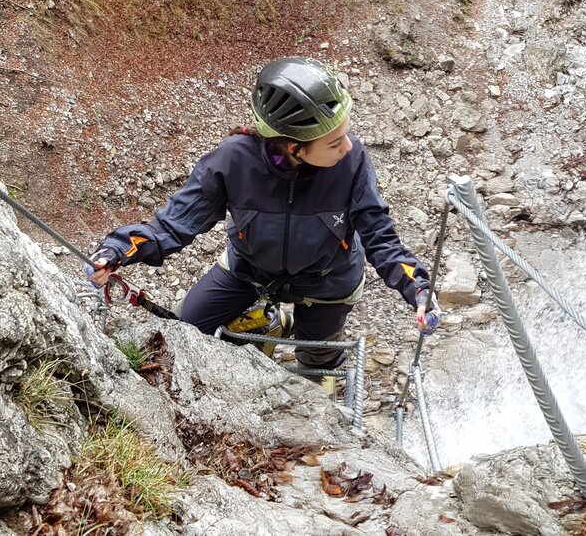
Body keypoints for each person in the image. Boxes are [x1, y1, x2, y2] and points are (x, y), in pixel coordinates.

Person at [86, 56, 438, 370]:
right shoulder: (232, 161)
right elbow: (174, 224)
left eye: (346, 134)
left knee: (318, 359)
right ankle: (269, 322)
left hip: (328, 281)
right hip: (249, 270)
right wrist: (117, 251)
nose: (348, 147)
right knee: (187, 328)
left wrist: (418, 288)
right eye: (334, 142)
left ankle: (300, 345)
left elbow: (380, 238)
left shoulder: (351, 162)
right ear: (293, 147)